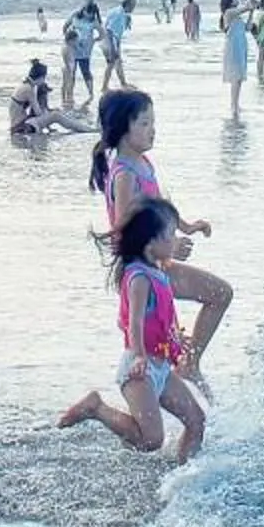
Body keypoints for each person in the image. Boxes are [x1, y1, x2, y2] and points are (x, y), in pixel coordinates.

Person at [90, 89, 233, 385]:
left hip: (157, 262)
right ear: (122, 128)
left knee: (213, 299)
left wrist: (186, 225)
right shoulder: (124, 174)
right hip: (141, 268)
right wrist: (165, 250)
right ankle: (181, 370)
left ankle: (186, 364)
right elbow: (124, 229)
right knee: (161, 334)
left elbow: (157, 208)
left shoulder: (144, 162)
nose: (152, 130)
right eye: (144, 124)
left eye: (153, 122)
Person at [55, 198, 206, 463]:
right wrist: (138, 356)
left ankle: (184, 476)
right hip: (140, 371)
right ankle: (97, 408)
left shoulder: (157, 270)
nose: (174, 240)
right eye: (170, 235)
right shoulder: (138, 277)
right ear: (150, 243)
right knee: (150, 441)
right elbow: (133, 322)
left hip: (159, 367)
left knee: (196, 420)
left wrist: (175, 338)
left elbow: (157, 317)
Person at [217, 0, 251, 120]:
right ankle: (234, 105)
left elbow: (247, 27)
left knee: (240, 78)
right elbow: (242, 9)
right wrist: (249, 6)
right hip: (232, 48)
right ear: (230, 0)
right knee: (235, 78)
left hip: (241, 46)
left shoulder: (237, 16)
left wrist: (251, 11)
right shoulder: (228, 13)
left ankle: (236, 104)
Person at [102, 0, 134, 92]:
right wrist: (113, 47)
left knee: (118, 63)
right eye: (133, 5)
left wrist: (118, 45)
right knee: (111, 63)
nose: (134, 8)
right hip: (109, 41)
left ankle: (123, 83)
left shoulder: (122, 13)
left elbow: (118, 31)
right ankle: (104, 86)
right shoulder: (118, 14)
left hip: (113, 40)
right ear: (128, 5)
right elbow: (109, 30)